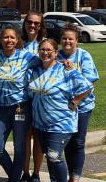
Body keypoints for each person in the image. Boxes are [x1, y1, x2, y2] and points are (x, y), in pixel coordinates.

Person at [27, 39, 91, 182]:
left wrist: (75, 101)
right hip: (40, 123)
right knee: (50, 158)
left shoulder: (65, 70)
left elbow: (87, 87)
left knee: (54, 155)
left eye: (49, 50)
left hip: (61, 123)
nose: (45, 53)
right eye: (42, 49)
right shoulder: (35, 71)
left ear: (56, 53)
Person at [0, 28, 38, 182]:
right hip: (2, 107)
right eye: (5, 37)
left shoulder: (26, 56)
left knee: (19, 147)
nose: (8, 40)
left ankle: (15, 178)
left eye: (12, 37)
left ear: (17, 40)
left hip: (20, 106)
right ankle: (15, 176)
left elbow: (46, 60)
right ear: (0, 40)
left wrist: (65, 64)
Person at [57, 26, 98, 182]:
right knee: (67, 141)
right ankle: (69, 174)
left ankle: (75, 178)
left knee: (78, 142)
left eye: (70, 39)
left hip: (82, 106)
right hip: (63, 108)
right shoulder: (57, 56)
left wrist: (77, 100)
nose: (67, 41)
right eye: (64, 38)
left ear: (76, 41)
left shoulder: (83, 56)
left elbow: (90, 83)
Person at [20, 11, 46, 182]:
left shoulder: (43, 45)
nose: (32, 25)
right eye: (30, 22)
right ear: (25, 23)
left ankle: (36, 173)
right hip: (20, 100)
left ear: (41, 26)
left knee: (37, 136)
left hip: (39, 100)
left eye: (37, 23)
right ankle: (25, 173)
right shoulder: (17, 43)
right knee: (23, 136)